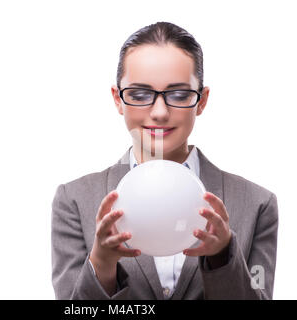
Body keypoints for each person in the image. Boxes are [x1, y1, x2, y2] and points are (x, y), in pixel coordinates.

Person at [51, 21, 278, 300]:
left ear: (202, 100)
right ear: (118, 98)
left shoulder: (257, 203)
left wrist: (222, 257)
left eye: (179, 94)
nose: (159, 112)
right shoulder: (74, 200)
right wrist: (102, 263)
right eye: (140, 94)